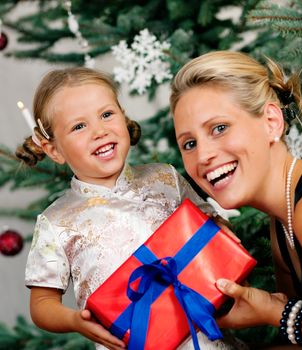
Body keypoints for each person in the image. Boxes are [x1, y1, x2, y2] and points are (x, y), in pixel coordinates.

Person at [19, 66, 248, 350]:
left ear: (124, 118)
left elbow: (206, 223)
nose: (99, 131)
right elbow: (42, 303)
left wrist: (221, 228)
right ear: (54, 150)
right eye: (79, 126)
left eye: (106, 114)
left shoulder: (165, 177)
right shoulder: (56, 221)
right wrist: (76, 320)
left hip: (205, 332)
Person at [170, 50, 302, 349]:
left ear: (271, 121)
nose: (203, 156)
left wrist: (276, 312)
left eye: (219, 128)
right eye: (189, 143)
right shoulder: (283, 218)